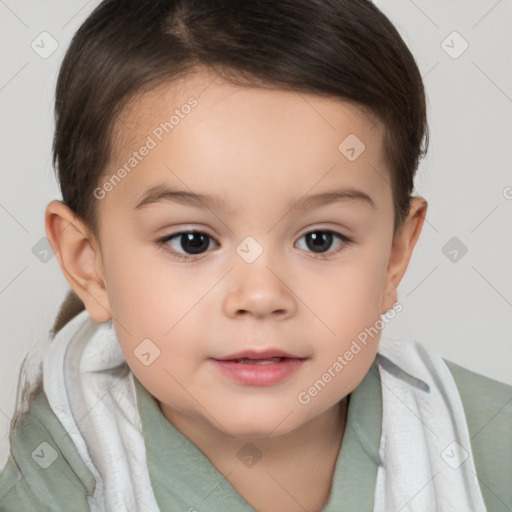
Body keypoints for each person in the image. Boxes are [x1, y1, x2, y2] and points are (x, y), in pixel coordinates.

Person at [1, 1, 510, 511]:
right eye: (192, 241)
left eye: (320, 239)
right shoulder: (55, 483)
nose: (262, 296)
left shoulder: (486, 443)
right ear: (90, 265)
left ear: (395, 256)